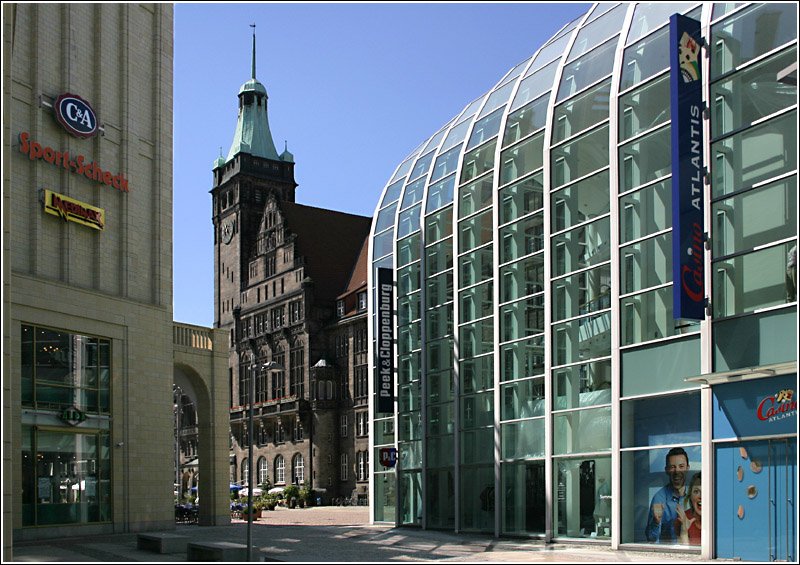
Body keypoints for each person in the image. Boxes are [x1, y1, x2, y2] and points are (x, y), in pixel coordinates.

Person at [645, 447, 690, 543]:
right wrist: (656, 522)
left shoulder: (695, 496)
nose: (677, 471)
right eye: (672, 467)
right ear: (666, 470)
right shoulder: (659, 498)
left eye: (681, 466)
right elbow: (651, 538)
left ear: (687, 468)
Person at [675, 472, 701, 545]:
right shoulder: (682, 519)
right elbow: (684, 554)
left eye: (705, 491)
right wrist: (684, 531)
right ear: (690, 496)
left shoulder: (720, 520)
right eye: (696, 491)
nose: (701, 496)